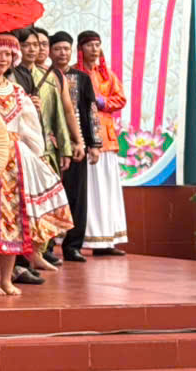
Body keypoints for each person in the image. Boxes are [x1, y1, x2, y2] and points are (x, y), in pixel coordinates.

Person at [0, 34, 74, 296]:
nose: (3, 59)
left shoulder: (18, 91)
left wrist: (37, 156)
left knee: (13, 221)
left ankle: (6, 279)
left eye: (8, 55)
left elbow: (30, 127)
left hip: (15, 160)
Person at [12, 27, 74, 272]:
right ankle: (20, 259)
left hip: (45, 148)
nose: (33, 50)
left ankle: (39, 252)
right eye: (27, 45)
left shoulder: (48, 76)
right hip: (19, 147)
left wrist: (66, 147)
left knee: (44, 202)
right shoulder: (10, 75)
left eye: (37, 45)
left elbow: (60, 113)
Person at [50, 31, 102, 263]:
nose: (62, 53)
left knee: (77, 196)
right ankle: (48, 245)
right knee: (49, 195)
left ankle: (73, 246)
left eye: (66, 49)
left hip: (76, 145)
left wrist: (94, 144)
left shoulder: (81, 78)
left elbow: (90, 111)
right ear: (49, 52)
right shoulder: (44, 76)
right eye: (57, 49)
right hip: (51, 144)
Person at [76, 30, 129, 256]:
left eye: (97, 45)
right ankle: (86, 239)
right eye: (89, 45)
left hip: (106, 138)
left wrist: (102, 101)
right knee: (89, 192)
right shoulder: (75, 74)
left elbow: (121, 99)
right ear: (81, 48)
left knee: (107, 191)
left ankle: (107, 241)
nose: (94, 49)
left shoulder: (107, 75)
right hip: (85, 138)